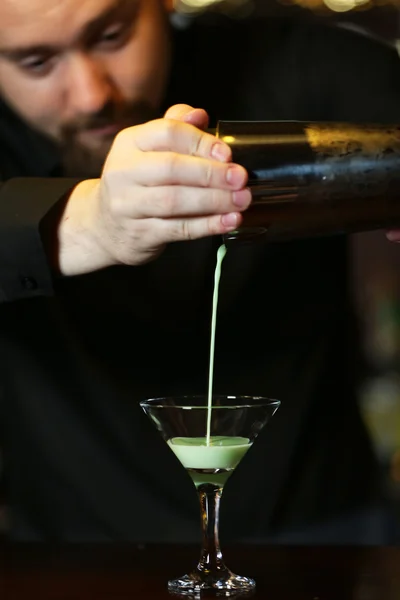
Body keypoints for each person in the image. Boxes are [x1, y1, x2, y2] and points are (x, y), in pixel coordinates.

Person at [1, 0, 400, 543]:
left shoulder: (291, 58)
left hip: (326, 531)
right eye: (36, 63)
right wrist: (93, 223)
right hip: (70, 550)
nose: (93, 93)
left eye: (113, 35)